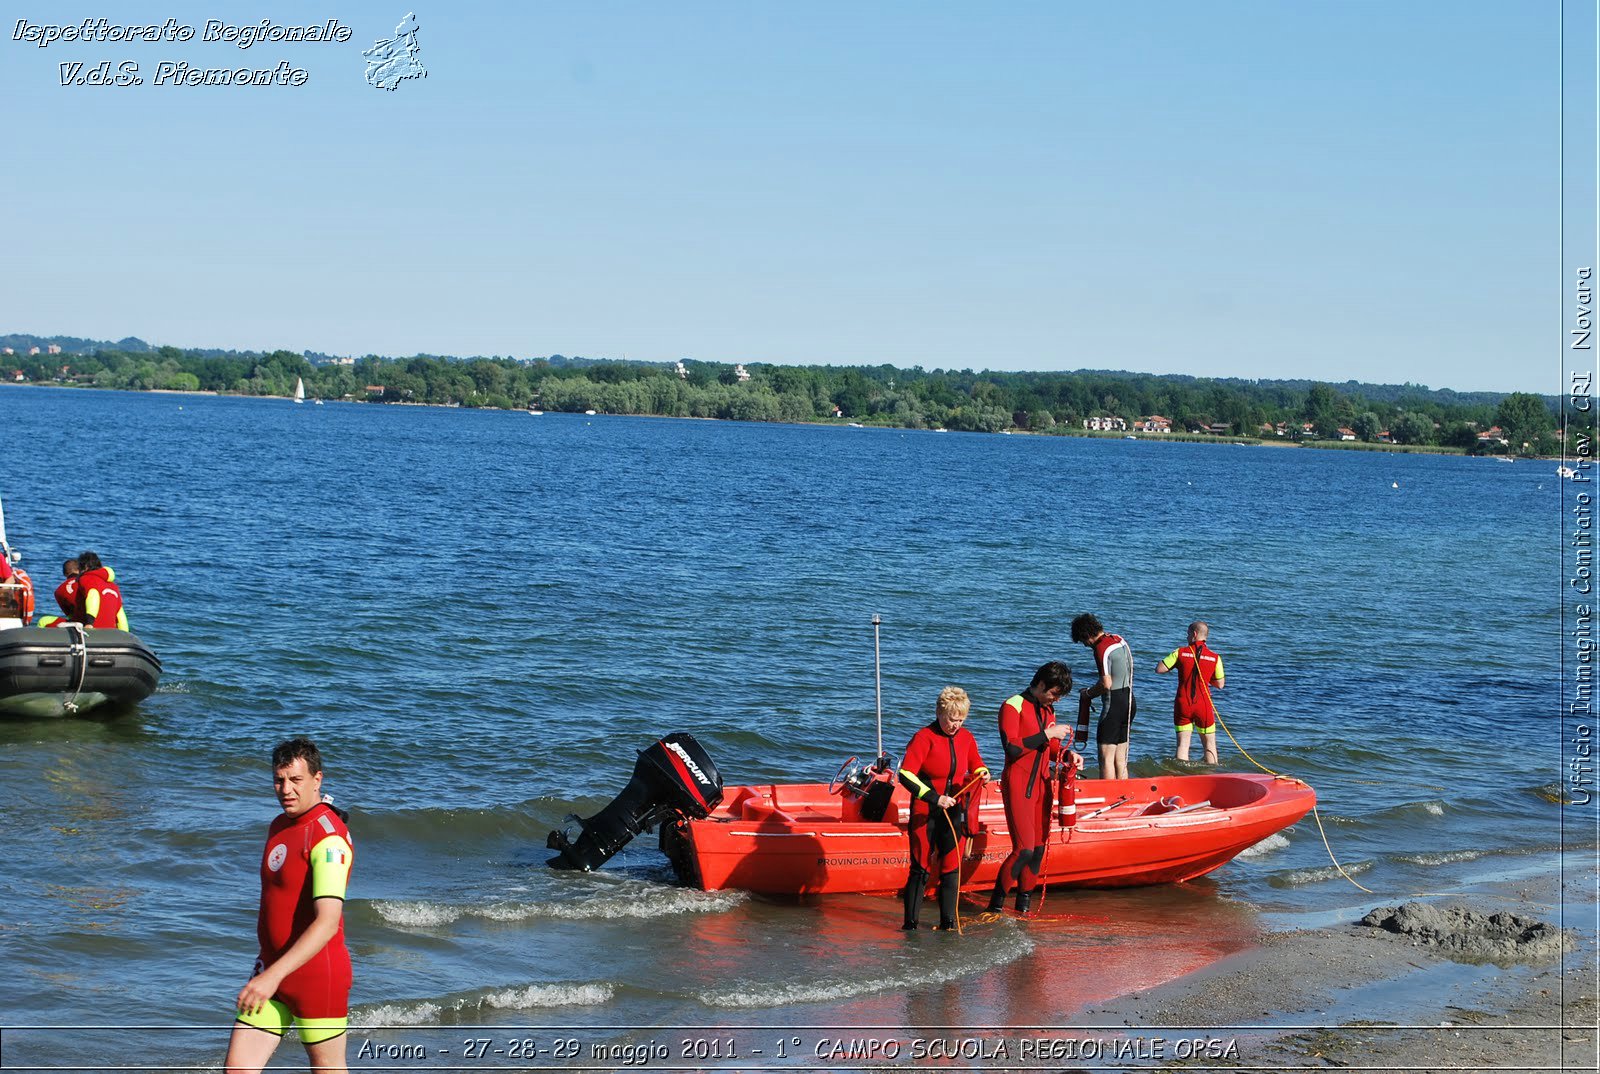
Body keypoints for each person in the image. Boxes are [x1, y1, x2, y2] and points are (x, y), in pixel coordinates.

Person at [225, 738, 354, 1074]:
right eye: (279, 780)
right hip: (271, 969)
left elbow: (327, 923)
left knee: (327, 1068)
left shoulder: (329, 841)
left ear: (317, 779)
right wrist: (269, 972)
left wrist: (273, 977)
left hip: (316, 977)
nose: (286, 790)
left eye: (296, 780)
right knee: (238, 1069)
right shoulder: (279, 825)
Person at [987, 661, 1080, 913]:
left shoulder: (1048, 710)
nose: (1057, 700)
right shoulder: (1012, 705)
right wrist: (1048, 735)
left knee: (1038, 850)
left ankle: (1023, 909)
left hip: (1042, 785)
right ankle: (994, 908)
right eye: (1054, 693)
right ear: (1040, 684)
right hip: (1018, 783)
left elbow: (1048, 750)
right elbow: (1013, 747)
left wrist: (1067, 754)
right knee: (1024, 850)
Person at [897, 686, 990, 930]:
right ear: (939, 712)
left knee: (951, 867)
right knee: (921, 869)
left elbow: (976, 763)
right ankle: (911, 927)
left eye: (960, 720)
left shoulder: (966, 738)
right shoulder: (924, 737)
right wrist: (934, 797)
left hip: (953, 811)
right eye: (951, 718)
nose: (955, 725)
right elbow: (905, 774)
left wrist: (982, 772)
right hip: (925, 811)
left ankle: (948, 926)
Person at [1071, 613, 1137, 781]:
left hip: (1113, 705)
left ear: (1086, 635)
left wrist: (1087, 694)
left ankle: (1108, 797)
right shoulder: (1118, 639)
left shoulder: (1101, 648)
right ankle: (1124, 794)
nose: (1086, 645)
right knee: (1121, 760)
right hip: (1129, 702)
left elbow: (1105, 683)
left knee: (1106, 758)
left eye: (1083, 641)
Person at [1156, 621, 1226, 764]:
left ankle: (1182, 775)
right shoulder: (1215, 658)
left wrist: (1179, 665)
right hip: (1204, 705)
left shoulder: (1180, 652)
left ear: (1194, 634)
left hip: (1183, 704)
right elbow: (1220, 684)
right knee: (1210, 746)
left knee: (1182, 745)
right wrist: (1206, 678)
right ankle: (1212, 777)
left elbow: (1159, 669)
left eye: (1188, 634)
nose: (1187, 637)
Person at [73, 551, 129, 631]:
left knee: (48, 620)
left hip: (92, 629)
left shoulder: (86, 578)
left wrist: (89, 623)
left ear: (85, 567)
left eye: (79, 568)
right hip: (110, 632)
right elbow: (120, 613)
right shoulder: (114, 586)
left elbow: (93, 595)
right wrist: (125, 633)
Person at [36, 559, 79, 628]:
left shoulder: (59, 591)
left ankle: (37, 638)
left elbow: (69, 614)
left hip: (78, 623)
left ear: (64, 573)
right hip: (96, 622)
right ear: (79, 570)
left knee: (43, 621)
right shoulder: (88, 582)